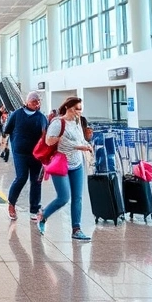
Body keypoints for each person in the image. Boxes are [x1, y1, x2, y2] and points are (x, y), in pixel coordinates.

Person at [39, 96, 93, 242]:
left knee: (78, 198)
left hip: (77, 164)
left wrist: (86, 145)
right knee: (63, 197)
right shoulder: (58, 123)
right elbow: (49, 141)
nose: (80, 112)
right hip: (61, 163)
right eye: (77, 109)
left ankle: (76, 229)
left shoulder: (77, 122)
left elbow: (80, 139)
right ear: (69, 108)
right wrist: (71, 143)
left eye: (81, 109)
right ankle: (43, 215)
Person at [1, 92, 48, 222]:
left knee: (36, 181)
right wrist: (4, 146)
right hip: (20, 153)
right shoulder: (16, 114)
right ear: (27, 102)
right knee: (21, 177)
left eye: (38, 101)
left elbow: (46, 137)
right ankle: (11, 203)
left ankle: (34, 209)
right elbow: (7, 131)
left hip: (37, 155)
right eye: (34, 101)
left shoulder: (42, 117)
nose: (37, 104)